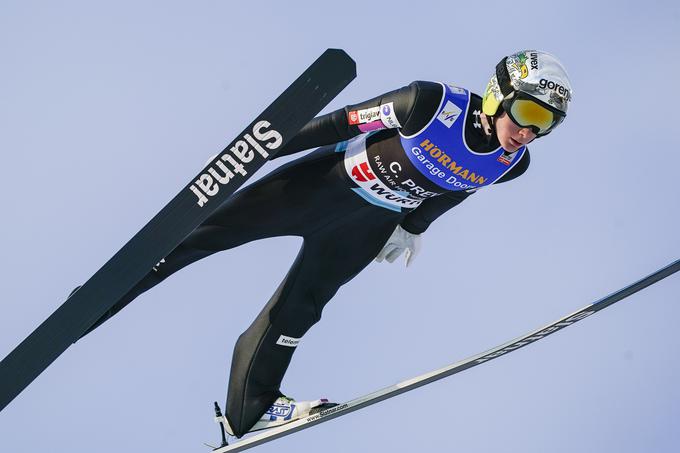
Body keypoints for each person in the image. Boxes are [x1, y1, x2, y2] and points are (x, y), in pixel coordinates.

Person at [75, 50, 573, 437]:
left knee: (302, 309)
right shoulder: (430, 103)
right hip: (321, 185)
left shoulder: (512, 165)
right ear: (497, 94)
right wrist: (260, 149)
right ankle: (98, 301)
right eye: (527, 110)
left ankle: (251, 408)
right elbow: (341, 122)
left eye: (545, 123)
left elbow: (455, 190)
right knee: (203, 238)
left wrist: (413, 227)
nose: (528, 131)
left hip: (366, 225)